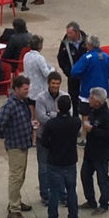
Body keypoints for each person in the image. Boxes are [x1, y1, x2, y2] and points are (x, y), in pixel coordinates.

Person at [0, 75, 35, 218]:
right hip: (15, 145)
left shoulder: (22, 102)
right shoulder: (9, 105)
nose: (27, 92)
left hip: (23, 143)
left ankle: (15, 201)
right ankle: (14, 209)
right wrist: (6, 136)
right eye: (25, 89)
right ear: (16, 89)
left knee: (21, 176)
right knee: (16, 177)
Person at [39, 94, 82, 218]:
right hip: (70, 161)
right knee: (71, 190)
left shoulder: (51, 124)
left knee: (54, 192)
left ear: (57, 108)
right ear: (69, 108)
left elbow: (45, 142)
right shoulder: (76, 122)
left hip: (54, 162)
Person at [80, 87, 109, 215]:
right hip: (90, 151)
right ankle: (90, 201)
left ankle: (104, 204)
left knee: (102, 179)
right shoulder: (92, 111)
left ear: (97, 101)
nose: (88, 99)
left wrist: (93, 130)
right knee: (85, 175)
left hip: (101, 154)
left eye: (91, 98)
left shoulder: (108, 116)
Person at [33, 72, 68, 205]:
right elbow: (41, 118)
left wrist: (50, 115)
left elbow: (68, 115)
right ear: (48, 83)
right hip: (43, 138)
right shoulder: (40, 98)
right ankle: (45, 195)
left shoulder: (65, 96)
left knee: (61, 167)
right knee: (43, 168)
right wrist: (58, 116)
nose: (55, 86)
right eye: (53, 83)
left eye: (57, 84)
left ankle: (62, 194)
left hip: (59, 140)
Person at [69, 36, 109, 113]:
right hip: (102, 97)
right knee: (102, 120)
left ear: (90, 45)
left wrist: (83, 76)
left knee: (86, 121)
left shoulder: (86, 58)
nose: (85, 46)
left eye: (86, 44)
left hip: (87, 95)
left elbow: (73, 72)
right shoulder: (107, 57)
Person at [57, 22, 88, 99]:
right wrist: (68, 72)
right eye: (67, 33)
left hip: (85, 76)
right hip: (72, 77)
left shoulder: (87, 41)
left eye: (70, 33)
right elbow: (60, 58)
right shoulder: (65, 43)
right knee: (73, 98)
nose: (68, 35)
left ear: (77, 32)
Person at [22, 35, 54, 100]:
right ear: (40, 46)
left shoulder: (26, 55)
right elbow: (47, 74)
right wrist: (53, 69)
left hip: (29, 89)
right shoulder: (39, 58)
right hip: (39, 91)